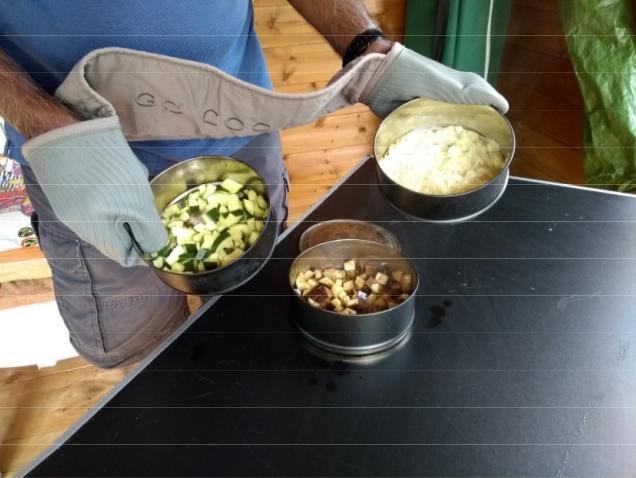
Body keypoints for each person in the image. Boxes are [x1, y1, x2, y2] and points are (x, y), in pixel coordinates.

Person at [0, 0, 508, 368]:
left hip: (239, 127)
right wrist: (51, 129)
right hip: (81, 161)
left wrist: (365, 48)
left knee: (258, 309)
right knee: (146, 355)